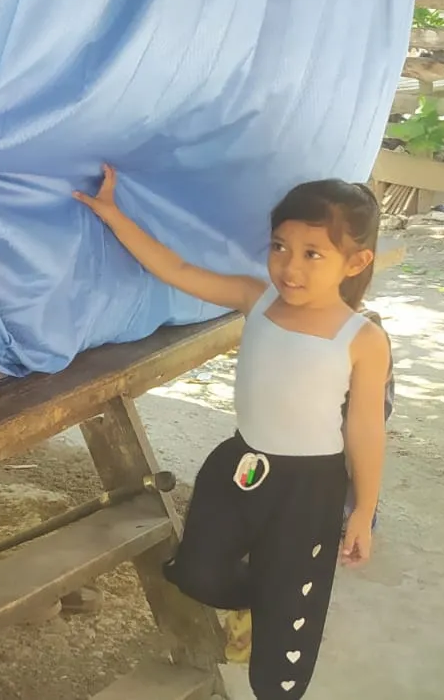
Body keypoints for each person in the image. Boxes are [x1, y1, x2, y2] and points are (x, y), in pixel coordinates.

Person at [75, 168, 389, 700]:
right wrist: (113, 215)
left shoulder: (361, 338)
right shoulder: (255, 297)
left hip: (310, 489)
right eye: (280, 246)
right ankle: (266, 593)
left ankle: (278, 666)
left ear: (355, 263)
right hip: (241, 465)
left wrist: (363, 510)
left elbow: (365, 428)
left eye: (313, 254)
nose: (289, 265)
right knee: (195, 573)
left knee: (288, 634)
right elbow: (174, 269)